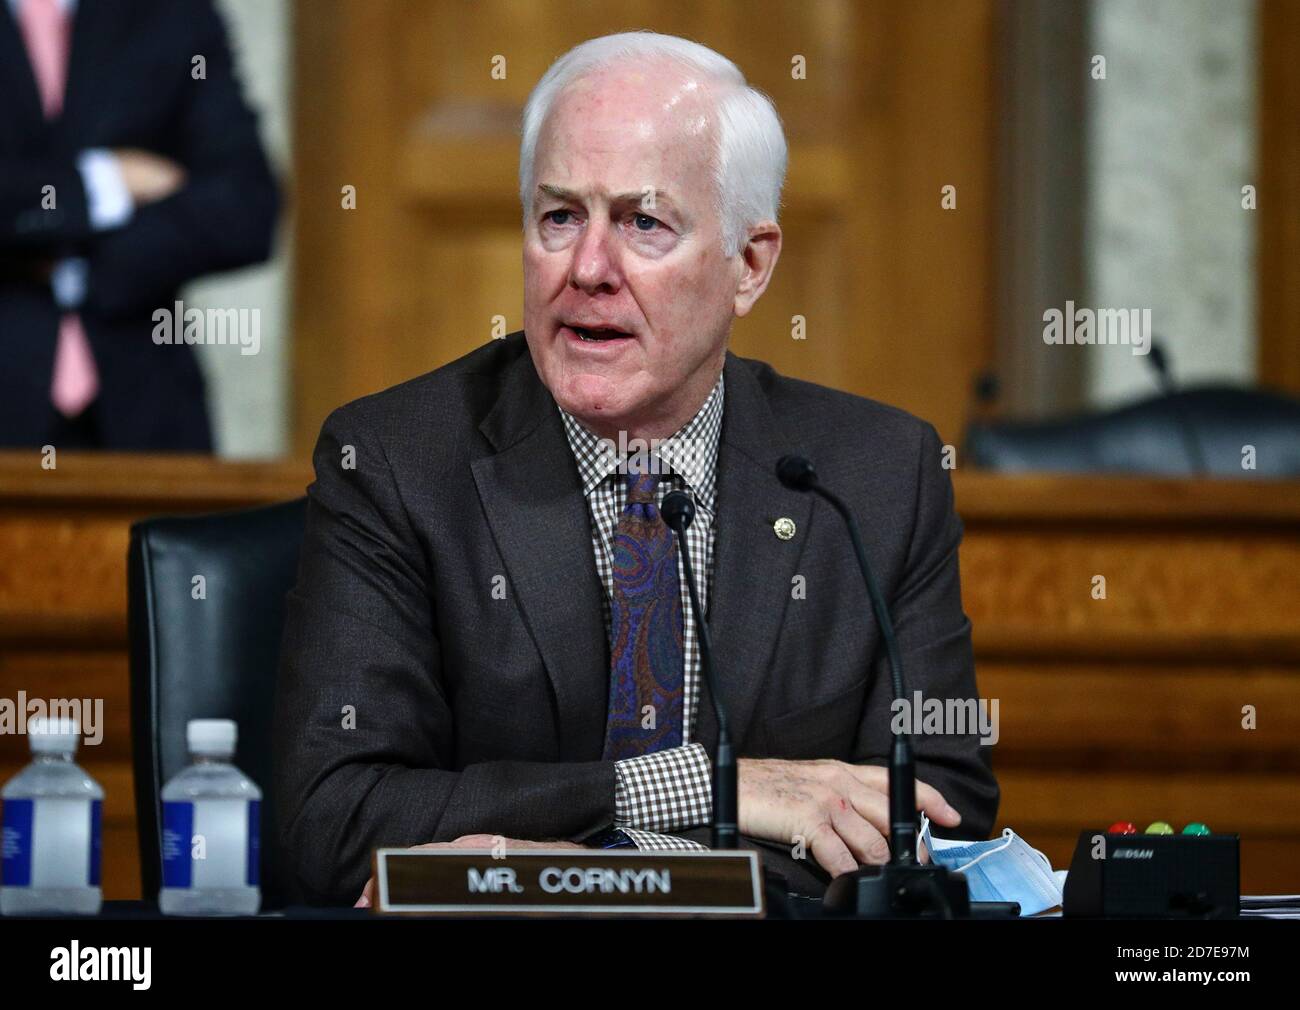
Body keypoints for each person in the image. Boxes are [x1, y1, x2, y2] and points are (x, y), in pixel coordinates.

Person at [274, 31, 999, 905]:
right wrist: (707, 791)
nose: (587, 269)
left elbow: (938, 816)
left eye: (643, 222)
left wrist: (551, 867)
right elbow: (333, 819)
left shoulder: (875, 476)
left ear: (750, 264)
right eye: (559, 217)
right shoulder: (395, 462)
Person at [0, 0, 278, 450]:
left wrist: (76, 268)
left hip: (145, 412)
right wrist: (101, 184)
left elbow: (247, 206)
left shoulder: (170, 15)